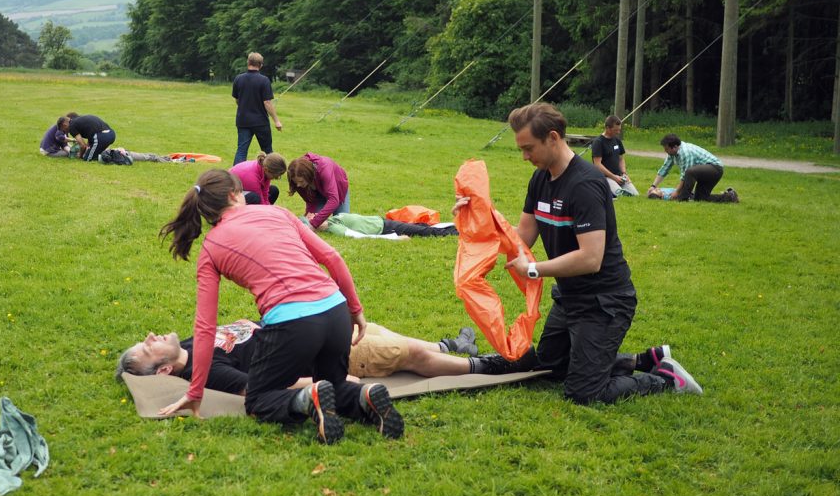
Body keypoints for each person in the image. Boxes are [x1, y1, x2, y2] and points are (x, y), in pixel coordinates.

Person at [453, 102, 703, 405]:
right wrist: (478, 215)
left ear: (554, 138)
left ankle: (664, 378)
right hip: (570, 299)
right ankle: (637, 360)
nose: (524, 157)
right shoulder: (540, 179)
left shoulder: (585, 184)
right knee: (549, 368)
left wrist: (534, 270)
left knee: (584, 392)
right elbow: (521, 239)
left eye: (529, 148)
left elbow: (590, 258)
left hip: (605, 302)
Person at [157, 169, 403, 443]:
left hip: (293, 323)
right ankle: (364, 395)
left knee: (259, 398)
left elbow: (205, 327)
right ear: (233, 195)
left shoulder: (211, 247)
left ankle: (308, 397)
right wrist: (355, 310)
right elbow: (332, 258)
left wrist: (195, 392)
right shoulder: (278, 213)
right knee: (333, 386)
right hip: (336, 311)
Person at [116, 320, 496, 390]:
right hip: (321, 354)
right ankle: (484, 366)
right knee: (408, 354)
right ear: (164, 370)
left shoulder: (187, 344)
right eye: (147, 347)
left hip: (309, 330)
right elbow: (258, 386)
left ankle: (449, 347)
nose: (150, 336)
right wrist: (325, 381)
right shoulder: (205, 369)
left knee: (377, 330)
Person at [648, 134, 739, 203]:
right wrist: (653, 186)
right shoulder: (672, 153)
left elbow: (685, 175)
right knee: (700, 198)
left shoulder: (685, 152)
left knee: (690, 172)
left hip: (714, 169)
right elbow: (664, 169)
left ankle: (683, 199)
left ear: (675, 147)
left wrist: (677, 192)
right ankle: (730, 197)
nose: (665, 151)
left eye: (667, 149)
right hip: (703, 171)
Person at [232, 52, 282, 165]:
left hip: (243, 120)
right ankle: (272, 172)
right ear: (261, 65)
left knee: (241, 150)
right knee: (268, 151)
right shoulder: (264, 80)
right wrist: (276, 121)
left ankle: (235, 176)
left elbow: (237, 100)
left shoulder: (238, 79)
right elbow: (267, 103)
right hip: (260, 122)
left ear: (248, 62)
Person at [287, 153, 350, 231]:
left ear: (308, 175)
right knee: (313, 220)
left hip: (337, 189)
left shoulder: (324, 168)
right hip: (318, 194)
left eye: (301, 181)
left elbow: (334, 200)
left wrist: (313, 224)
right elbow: (309, 200)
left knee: (343, 222)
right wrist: (310, 214)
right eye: (296, 182)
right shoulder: (296, 177)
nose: (298, 185)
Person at [314, 212, 458, 240]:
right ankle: (458, 232)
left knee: (421, 226)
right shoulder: (333, 228)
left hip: (384, 222)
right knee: (425, 231)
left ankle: (456, 226)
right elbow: (360, 236)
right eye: (312, 217)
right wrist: (395, 238)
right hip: (387, 228)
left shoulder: (333, 220)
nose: (312, 214)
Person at [591, 115, 639, 197]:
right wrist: (613, 177)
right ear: (607, 128)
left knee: (635, 195)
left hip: (619, 176)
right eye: (615, 130)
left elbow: (621, 159)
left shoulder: (617, 140)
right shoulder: (598, 142)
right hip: (605, 177)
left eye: (619, 130)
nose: (618, 132)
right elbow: (597, 164)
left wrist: (624, 174)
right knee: (620, 194)